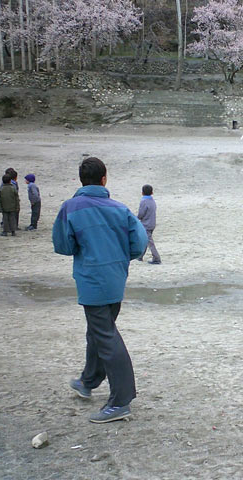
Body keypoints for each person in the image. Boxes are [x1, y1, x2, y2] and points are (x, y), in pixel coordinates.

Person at [53, 157, 146, 424]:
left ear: (81, 180)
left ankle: (120, 401)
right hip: (116, 278)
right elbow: (139, 244)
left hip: (92, 281)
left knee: (105, 336)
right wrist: (117, 258)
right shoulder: (120, 209)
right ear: (104, 179)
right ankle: (88, 380)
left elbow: (63, 246)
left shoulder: (70, 208)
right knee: (99, 331)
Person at [137, 184, 161, 264]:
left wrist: (137, 219)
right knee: (146, 240)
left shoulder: (143, 201)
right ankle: (140, 256)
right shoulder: (152, 201)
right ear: (152, 192)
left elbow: (141, 214)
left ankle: (156, 258)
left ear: (142, 193)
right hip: (152, 223)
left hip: (146, 224)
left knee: (149, 242)